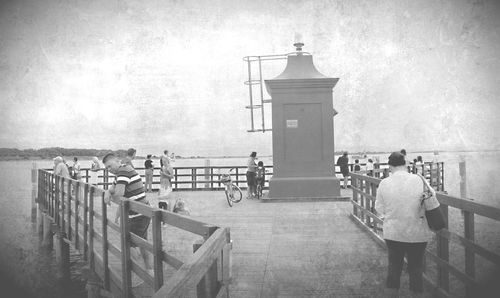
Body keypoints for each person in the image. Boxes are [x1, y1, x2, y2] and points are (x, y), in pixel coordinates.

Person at [374, 152, 440, 297]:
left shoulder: (384, 183)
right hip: (417, 233)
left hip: (393, 233)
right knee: (416, 270)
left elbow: (379, 208)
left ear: (390, 166)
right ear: (406, 164)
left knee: (394, 269)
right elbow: (431, 197)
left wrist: (391, 214)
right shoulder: (419, 179)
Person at [102, 153, 151, 272]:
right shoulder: (121, 172)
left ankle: (137, 272)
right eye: (106, 168)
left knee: (127, 245)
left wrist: (110, 194)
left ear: (117, 161)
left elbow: (119, 193)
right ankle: (149, 271)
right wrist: (108, 192)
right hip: (141, 213)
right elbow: (113, 189)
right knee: (142, 244)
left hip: (139, 215)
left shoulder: (123, 171)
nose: (109, 170)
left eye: (110, 166)